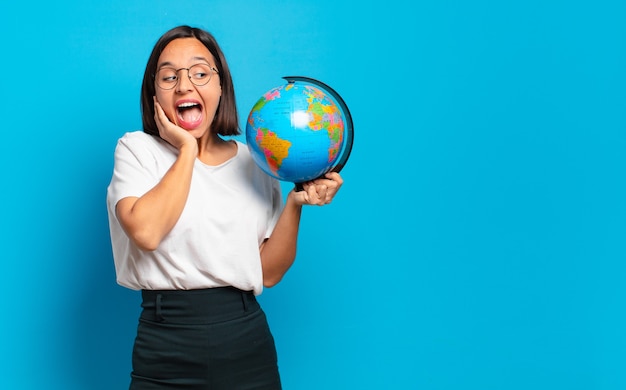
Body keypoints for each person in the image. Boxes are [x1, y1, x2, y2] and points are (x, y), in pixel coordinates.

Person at [106, 25, 343, 390]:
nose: (185, 85)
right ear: (154, 92)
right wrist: (187, 149)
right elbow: (147, 232)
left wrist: (295, 202)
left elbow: (267, 273)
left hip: (245, 339)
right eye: (169, 76)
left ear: (221, 86)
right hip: (163, 341)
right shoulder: (137, 150)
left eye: (200, 73)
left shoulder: (256, 161)